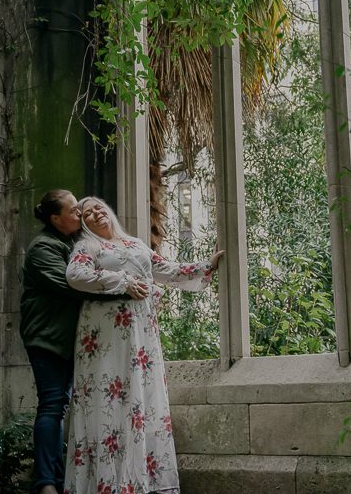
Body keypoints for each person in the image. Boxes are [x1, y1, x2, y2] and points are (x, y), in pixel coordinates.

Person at [63, 197, 223, 494]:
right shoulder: (88, 247)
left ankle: (140, 483)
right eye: (87, 214)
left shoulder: (136, 244)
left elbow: (168, 270)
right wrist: (122, 281)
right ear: (83, 224)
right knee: (110, 401)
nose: (96, 213)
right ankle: (106, 485)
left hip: (140, 334)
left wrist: (206, 266)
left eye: (98, 207)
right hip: (106, 335)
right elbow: (75, 275)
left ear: (108, 210)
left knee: (139, 400)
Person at [19, 190, 144, 494]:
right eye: (74, 210)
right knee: (52, 405)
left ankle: (67, 480)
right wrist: (124, 287)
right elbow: (73, 285)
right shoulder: (42, 249)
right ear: (56, 218)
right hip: (48, 338)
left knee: (63, 405)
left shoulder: (71, 243)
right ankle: (47, 483)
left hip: (72, 339)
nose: (80, 214)